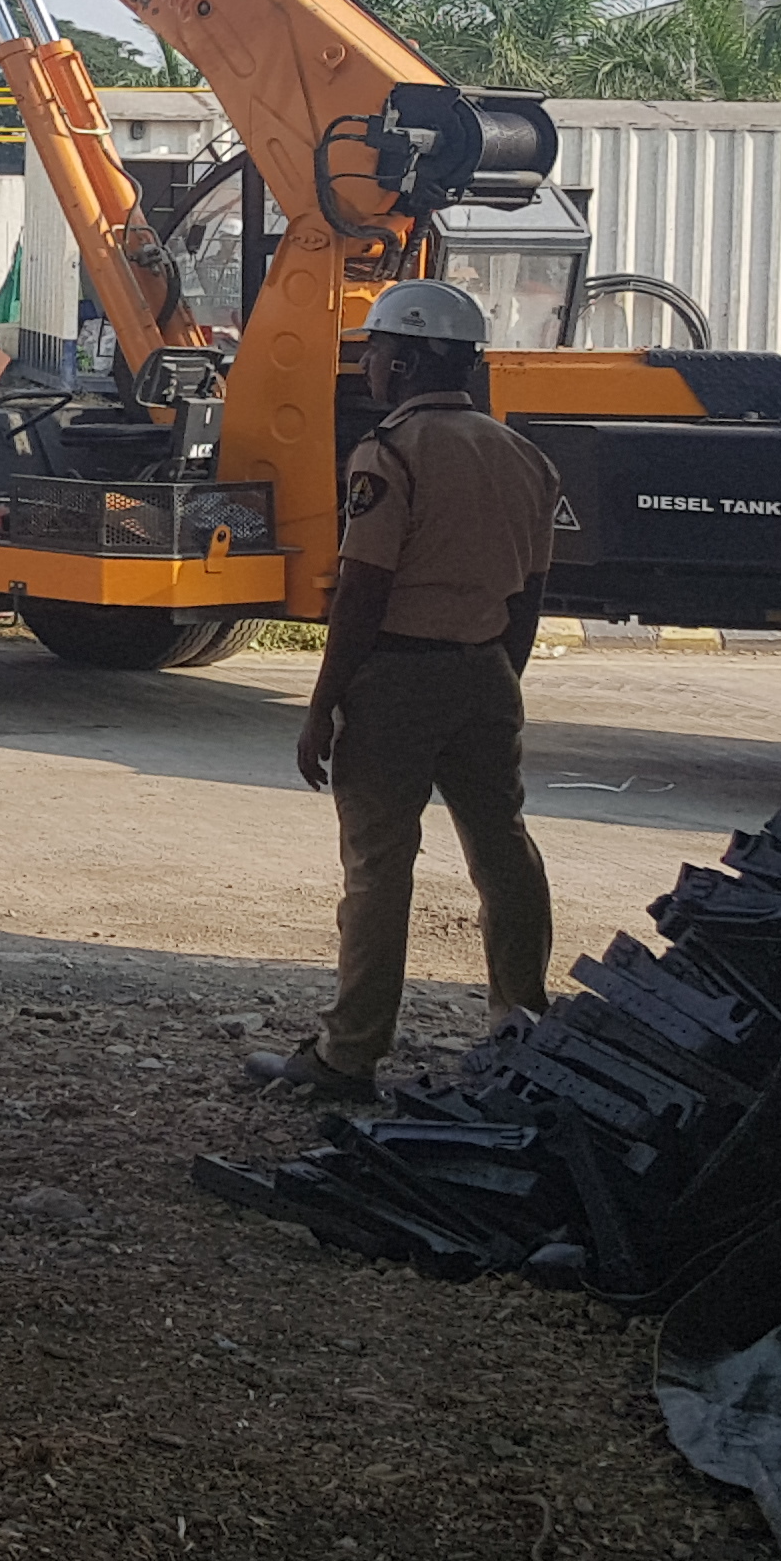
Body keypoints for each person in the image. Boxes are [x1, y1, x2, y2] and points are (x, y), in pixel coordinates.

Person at [251, 277, 562, 1100]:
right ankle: (522, 1026)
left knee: (379, 865)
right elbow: (529, 595)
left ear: (409, 360)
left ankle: (350, 1053)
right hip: (485, 671)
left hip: (397, 677)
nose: (369, 367)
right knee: (503, 849)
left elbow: (364, 588)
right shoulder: (525, 458)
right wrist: (497, 675)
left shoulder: (388, 454)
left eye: (379, 352)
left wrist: (323, 703)